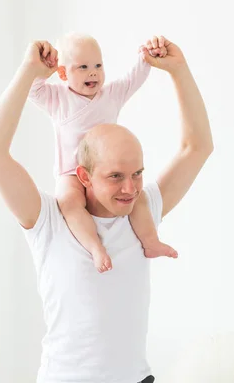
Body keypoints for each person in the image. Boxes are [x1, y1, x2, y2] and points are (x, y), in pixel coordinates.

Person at [0, 35, 214, 383]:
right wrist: (29, 71)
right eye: (116, 176)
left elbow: (197, 148)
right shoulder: (50, 220)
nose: (130, 188)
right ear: (84, 177)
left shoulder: (141, 209)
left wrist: (178, 70)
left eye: (137, 174)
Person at [27, 32, 175, 273]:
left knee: (136, 199)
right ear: (63, 73)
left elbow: (133, 79)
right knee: (69, 204)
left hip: (108, 172)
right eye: (83, 67)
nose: (93, 72)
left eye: (98, 65)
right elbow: (33, 91)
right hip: (71, 174)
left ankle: (150, 242)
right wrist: (41, 68)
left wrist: (145, 56)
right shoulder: (58, 98)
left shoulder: (111, 95)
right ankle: (95, 247)